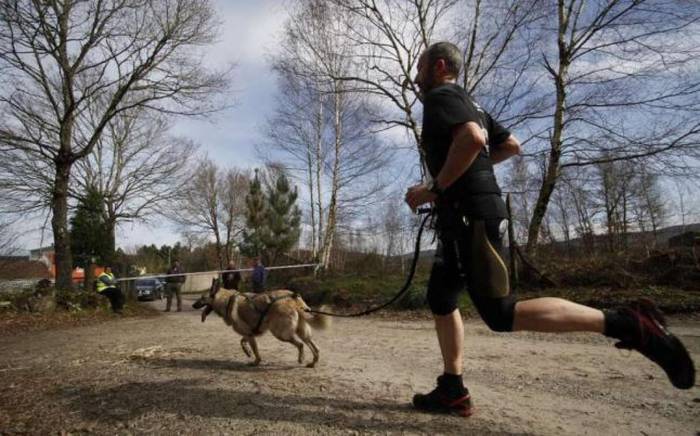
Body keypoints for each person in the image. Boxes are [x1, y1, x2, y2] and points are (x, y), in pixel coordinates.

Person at [404, 41, 695, 417]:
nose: (416, 79)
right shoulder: (470, 102)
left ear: (439, 66)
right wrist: (467, 174)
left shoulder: (441, 95)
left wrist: (436, 187)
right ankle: (452, 389)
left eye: (420, 69)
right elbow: (509, 145)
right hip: (463, 216)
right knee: (442, 297)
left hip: (470, 216)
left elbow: (474, 140)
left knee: (500, 313)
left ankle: (628, 323)